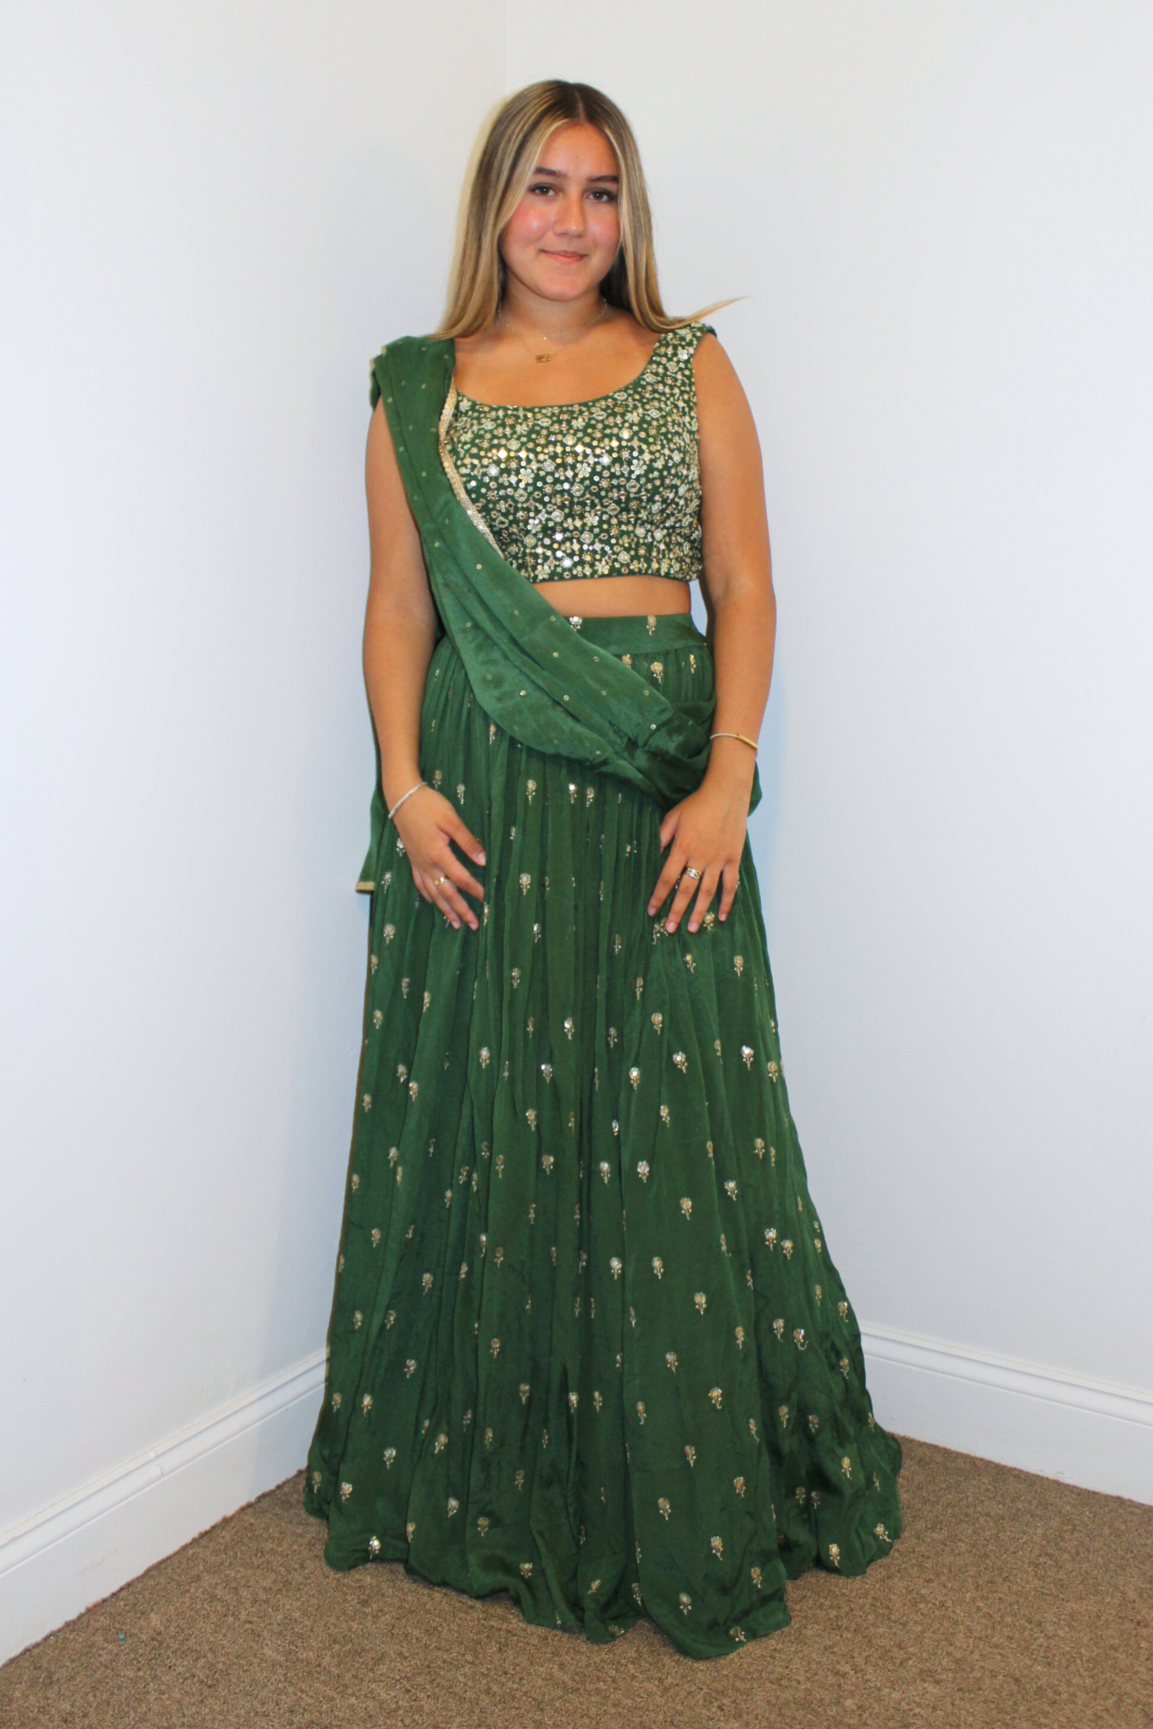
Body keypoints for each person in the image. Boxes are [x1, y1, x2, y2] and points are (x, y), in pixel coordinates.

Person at [303, 78, 903, 1659]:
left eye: (600, 191)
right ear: (494, 205)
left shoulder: (689, 364)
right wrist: (403, 787)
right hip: (481, 788)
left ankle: (684, 1475)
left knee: (672, 1120)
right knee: (496, 1112)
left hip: (659, 785)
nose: (570, 221)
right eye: (543, 187)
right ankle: (507, 1476)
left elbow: (744, 585)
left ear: (628, 213)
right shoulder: (418, 390)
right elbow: (398, 609)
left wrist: (729, 780)